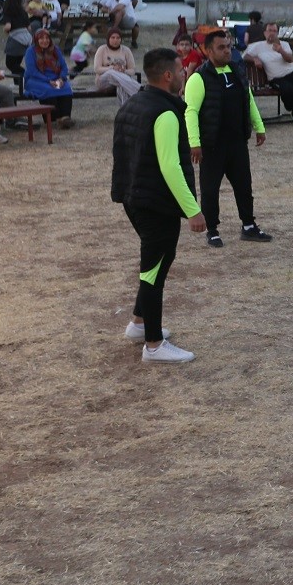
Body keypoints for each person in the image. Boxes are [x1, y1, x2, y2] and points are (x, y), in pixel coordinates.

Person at [111, 47, 207, 364]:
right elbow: (170, 167)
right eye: (181, 70)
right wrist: (192, 209)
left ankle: (139, 324)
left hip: (134, 198)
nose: (185, 74)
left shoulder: (133, 104)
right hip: (155, 204)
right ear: (168, 75)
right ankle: (153, 345)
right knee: (153, 271)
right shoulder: (166, 112)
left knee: (156, 264)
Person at [184, 30, 271, 248]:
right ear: (208, 50)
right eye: (221, 47)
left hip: (237, 142)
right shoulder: (199, 78)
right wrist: (194, 143)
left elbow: (248, 100)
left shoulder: (237, 71)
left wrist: (259, 127)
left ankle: (249, 226)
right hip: (212, 145)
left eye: (229, 47)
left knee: (244, 186)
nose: (227, 51)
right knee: (210, 189)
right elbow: (191, 111)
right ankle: (212, 230)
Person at [243, 23, 293, 125]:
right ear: (265, 33)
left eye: (274, 31)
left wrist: (281, 50)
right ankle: (291, 108)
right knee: (288, 90)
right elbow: (244, 56)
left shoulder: (284, 44)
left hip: (292, 72)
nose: (272, 33)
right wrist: (254, 59)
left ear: (277, 33)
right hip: (276, 78)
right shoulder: (258, 46)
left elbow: (290, 59)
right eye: (269, 30)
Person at [22, 28, 76, 129]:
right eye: (41, 38)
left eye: (47, 38)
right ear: (36, 39)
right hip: (36, 79)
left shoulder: (55, 49)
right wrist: (48, 80)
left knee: (66, 88)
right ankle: (54, 119)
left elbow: (64, 67)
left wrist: (61, 78)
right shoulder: (31, 51)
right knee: (48, 89)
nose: (45, 41)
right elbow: (32, 71)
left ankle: (65, 118)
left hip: (55, 78)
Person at [92, 28, 144, 107]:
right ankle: (139, 89)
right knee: (111, 73)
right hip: (104, 81)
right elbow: (97, 69)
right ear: (108, 38)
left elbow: (132, 70)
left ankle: (125, 111)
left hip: (122, 81)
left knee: (122, 85)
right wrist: (112, 68)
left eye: (118, 38)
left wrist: (123, 71)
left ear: (121, 39)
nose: (115, 40)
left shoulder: (126, 50)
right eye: (113, 37)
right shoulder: (102, 49)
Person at [2, 0, 32, 75]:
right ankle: (18, 83)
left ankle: (25, 76)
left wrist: (5, 30)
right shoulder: (23, 12)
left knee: (10, 64)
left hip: (16, 39)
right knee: (17, 63)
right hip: (27, 37)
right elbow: (29, 28)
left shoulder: (8, 12)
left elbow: (8, 26)